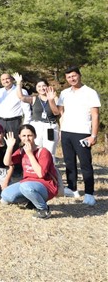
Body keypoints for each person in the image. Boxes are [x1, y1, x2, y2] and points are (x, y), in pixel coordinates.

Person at [57, 66, 101, 206]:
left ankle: (89, 193)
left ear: (79, 75)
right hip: (66, 132)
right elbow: (60, 112)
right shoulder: (64, 93)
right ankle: (72, 188)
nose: (72, 79)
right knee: (69, 162)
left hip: (82, 132)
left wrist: (93, 135)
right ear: (66, 79)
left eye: (74, 76)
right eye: (69, 77)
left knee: (85, 164)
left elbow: (95, 115)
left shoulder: (90, 92)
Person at [0, 125, 59, 219]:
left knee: (26, 187)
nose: (27, 138)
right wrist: (10, 147)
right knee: (5, 195)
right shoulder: (21, 151)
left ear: (35, 136)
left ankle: (43, 210)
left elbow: (41, 174)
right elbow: (7, 162)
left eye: (29, 135)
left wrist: (30, 154)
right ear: (19, 136)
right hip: (27, 184)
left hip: (45, 185)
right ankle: (32, 201)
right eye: (24, 136)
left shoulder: (43, 152)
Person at [13, 72, 60, 160]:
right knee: (36, 148)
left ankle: (49, 171)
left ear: (47, 86)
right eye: (39, 86)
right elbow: (21, 97)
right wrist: (18, 83)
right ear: (36, 88)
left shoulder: (55, 98)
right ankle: (35, 169)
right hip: (36, 126)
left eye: (43, 86)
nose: (41, 88)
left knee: (50, 151)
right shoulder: (34, 98)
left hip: (50, 126)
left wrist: (51, 100)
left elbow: (56, 113)